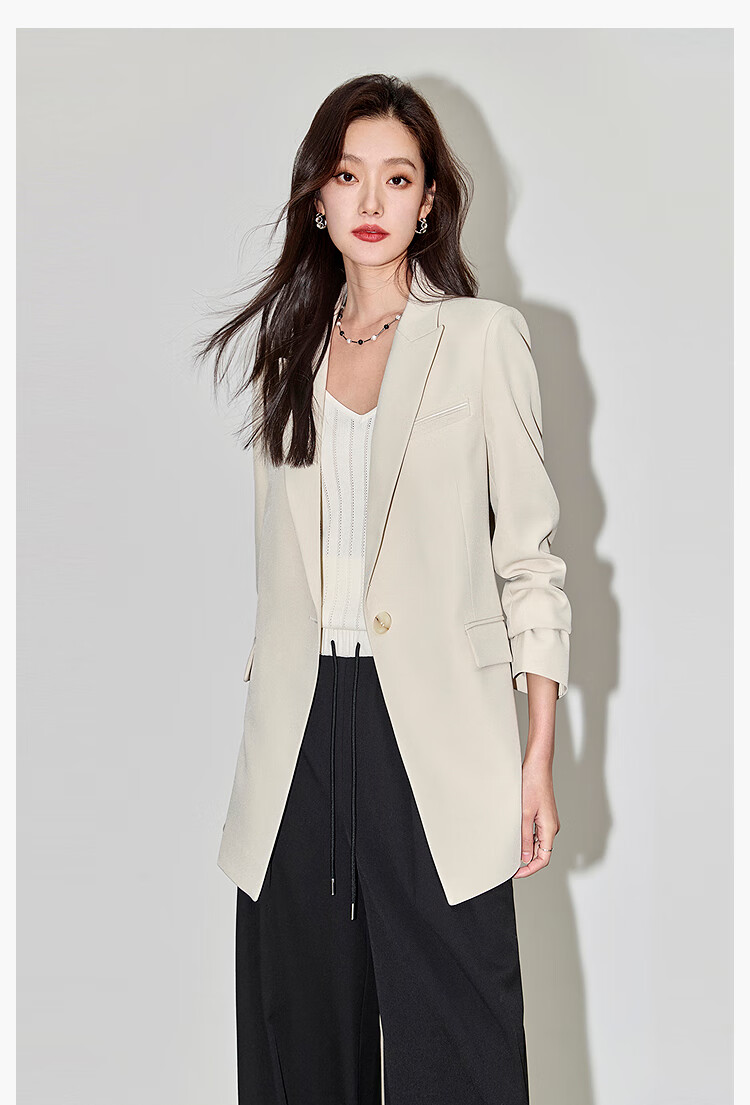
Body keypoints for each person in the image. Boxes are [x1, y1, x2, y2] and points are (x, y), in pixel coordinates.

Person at [198, 73, 572, 1105]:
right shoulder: (287, 356)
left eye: (397, 178)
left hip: (436, 729)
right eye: (348, 175)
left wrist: (537, 755)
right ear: (317, 196)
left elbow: (531, 562)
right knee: (299, 1050)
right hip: (300, 740)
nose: (371, 201)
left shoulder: (482, 339)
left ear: (429, 200)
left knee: (461, 1046)